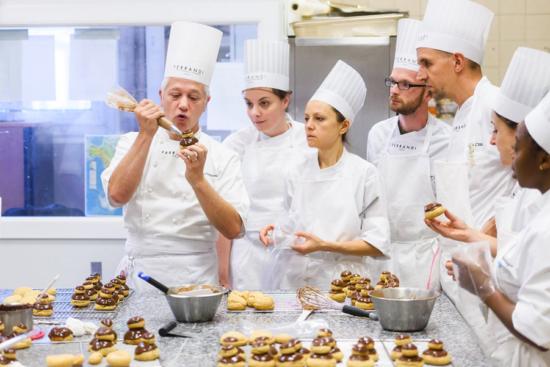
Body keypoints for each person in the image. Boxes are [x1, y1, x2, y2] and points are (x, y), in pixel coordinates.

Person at [101, 21, 249, 292]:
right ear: (161, 96)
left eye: (194, 97)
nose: (183, 104)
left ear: (206, 102)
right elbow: (115, 197)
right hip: (141, 279)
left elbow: (234, 229)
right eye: (175, 94)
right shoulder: (130, 142)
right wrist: (145, 136)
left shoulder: (222, 155)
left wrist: (198, 181)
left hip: (197, 280)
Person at [425, 47, 550, 364]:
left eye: (499, 132)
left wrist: (483, 284)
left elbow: (538, 327)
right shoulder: (527, 193)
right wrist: (468, 239)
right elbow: (517, 258)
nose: (492, 141)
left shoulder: (542, 217)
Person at [415, 0, 515, 349]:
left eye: (427, 63)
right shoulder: (459, 116)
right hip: (461, 275)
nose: (420, 74)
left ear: (457, 61)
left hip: (495, 277)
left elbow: (535, 184)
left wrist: (496, 227)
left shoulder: (498, 106)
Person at [259, 60, 390, 290]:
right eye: (307, 118)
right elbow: (291, 223)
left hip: (344, 284)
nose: (308, 125)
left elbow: (377, 243)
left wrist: (324, 245)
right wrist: (277, 232)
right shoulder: (296, 171)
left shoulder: (364, 174)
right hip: (295, 281)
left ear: (343, 126)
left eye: (319, 119)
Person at [452, 91, 550, 366]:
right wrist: (479, 265)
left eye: (518, 148)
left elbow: (538, 330)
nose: (510, 157)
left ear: (544, 160)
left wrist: (483, 286)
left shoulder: (545, 227)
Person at [366, 19, 450, 289]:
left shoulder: (445, 140)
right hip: (382, 255)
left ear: (428, 93)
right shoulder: (378, 134)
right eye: (392, 82)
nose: (393, 90)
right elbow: (371, 200)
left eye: (405, 85)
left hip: (424, 257)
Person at [219, 39, 310, 290]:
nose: (254, 113)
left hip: (294, 255)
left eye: (264, 103)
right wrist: (223, 273)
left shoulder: (308, 140)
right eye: (249, 103)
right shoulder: (235, 145)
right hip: (247, 256)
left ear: (285, 100)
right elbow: (226, 215)